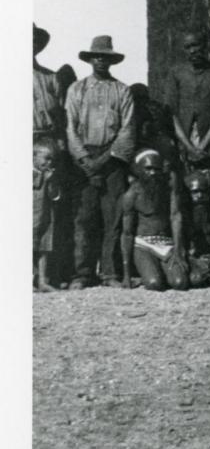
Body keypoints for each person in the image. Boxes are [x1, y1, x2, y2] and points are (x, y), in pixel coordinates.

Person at [66, 35, 136, 289]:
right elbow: (70, 129)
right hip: (83, 160)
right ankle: (83, 273)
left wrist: (104, 160)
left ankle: (110, 272)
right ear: (90, 59)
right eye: (97, 56)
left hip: (112, 160)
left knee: (112, 217)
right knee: (84, 218)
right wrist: (85, 160)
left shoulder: (122, 90)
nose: (101, 61)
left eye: (105, 57)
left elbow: (127, 130)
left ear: (111, 60)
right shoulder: (77, 89)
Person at [162, 31, 210, 174]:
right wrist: (189, 148)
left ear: (205, 46)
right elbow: (171, 114)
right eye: (188, 47)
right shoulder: (176, 74)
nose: (193, 50)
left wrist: (201, 148)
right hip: (183, 146)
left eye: (196, 45)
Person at [120, 149, 188, 291]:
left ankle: (162, 269)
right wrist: (126, 275)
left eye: (156, 169)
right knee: (154, 283)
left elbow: (175, 216)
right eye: (148, 168)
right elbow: (127, 233)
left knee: (180, 283)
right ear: (139, 170)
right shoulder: (131, 195)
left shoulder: (168, 187)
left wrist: (178, 249)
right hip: (143, 245)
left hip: (166, 244)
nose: (152, 173)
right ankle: (151, 269)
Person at [178, 171, 210, 288]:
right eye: (195, 192)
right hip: (193, 259)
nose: (200, 196)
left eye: (203, 191)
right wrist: (196, 262)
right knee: (196, 280)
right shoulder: (183, 215)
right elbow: (181, 248)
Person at [33, 137, 63, 292]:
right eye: (45, 159)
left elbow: (55, 195)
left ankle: (43, 280)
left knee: (44, 247)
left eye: (51, 160)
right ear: (34, 156)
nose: (49, 163)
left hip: (45, 216)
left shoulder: (51, 175)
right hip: (31, 216)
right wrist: (42, 179)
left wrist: (50, 182)